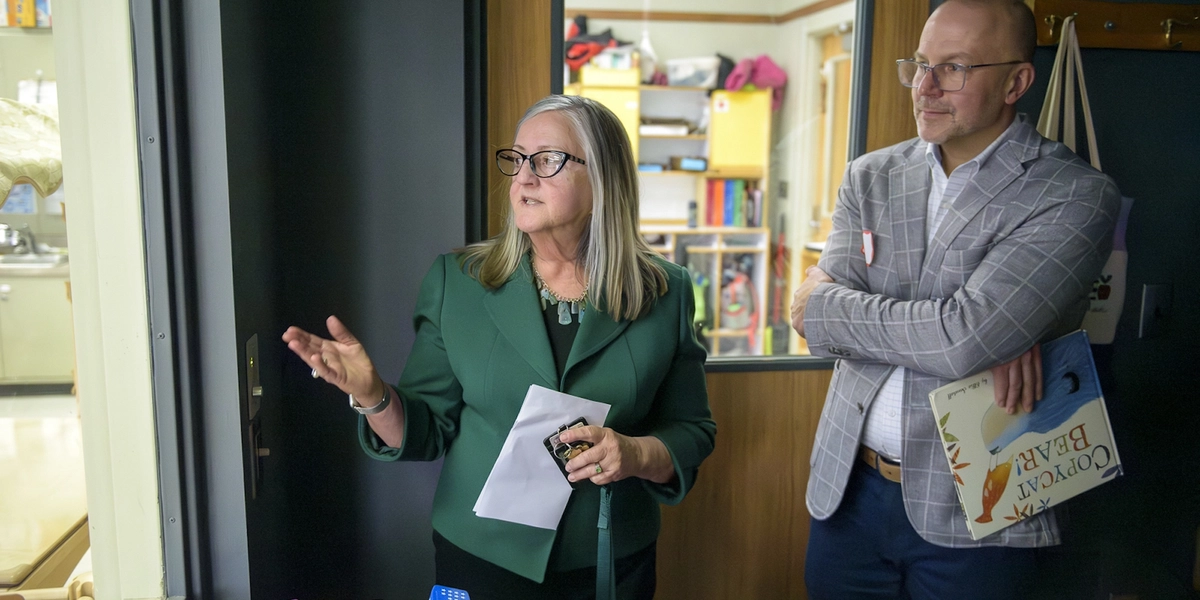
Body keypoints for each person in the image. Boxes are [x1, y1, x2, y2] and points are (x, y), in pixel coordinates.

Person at [283, 94, 715, 600]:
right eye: (516, 159)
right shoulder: (458, 283)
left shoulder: (666, 290)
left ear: (603, 181)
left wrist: (637, 453)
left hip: (609, 558)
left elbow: (693, 430)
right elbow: (425, 431)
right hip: (481, 556)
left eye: (548, 160)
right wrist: (374, 395)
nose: (523, 178)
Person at [790, 1, 1121, 598]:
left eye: (954, 68)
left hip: (983, 499)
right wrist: (969, 332)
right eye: (919, 64)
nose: (925, 86)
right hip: (849, 492)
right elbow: (813, 322)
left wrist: (841, 308)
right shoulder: (870, 175)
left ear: (1016, 82)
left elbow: (964, 338)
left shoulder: (1075, 194)